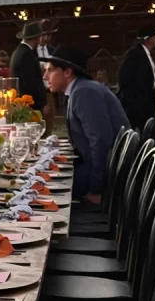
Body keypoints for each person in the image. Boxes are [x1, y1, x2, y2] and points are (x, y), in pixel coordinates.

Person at [45, 46, 129, 204]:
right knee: (42, 177)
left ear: (67, 72)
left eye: (50, 70)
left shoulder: (84, 92)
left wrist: (96, 190)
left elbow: (102, 143)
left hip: (110, 179)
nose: (45, 76)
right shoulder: (79, 90)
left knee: (41, 187)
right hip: (99, 170)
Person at [118, 23, 155, 133]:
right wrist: (132, 100)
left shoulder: (146, 54)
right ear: (149, 39)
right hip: (137, 105)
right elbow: (124, 77)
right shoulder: (134, 54)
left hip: (147, 103)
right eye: (154, 36)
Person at [10, 22, 48, 114]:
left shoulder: (21, 51)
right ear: (37, 37)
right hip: (29, 105)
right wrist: (40, 104)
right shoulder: (26, 54)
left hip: (26, 103)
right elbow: (30, 82)